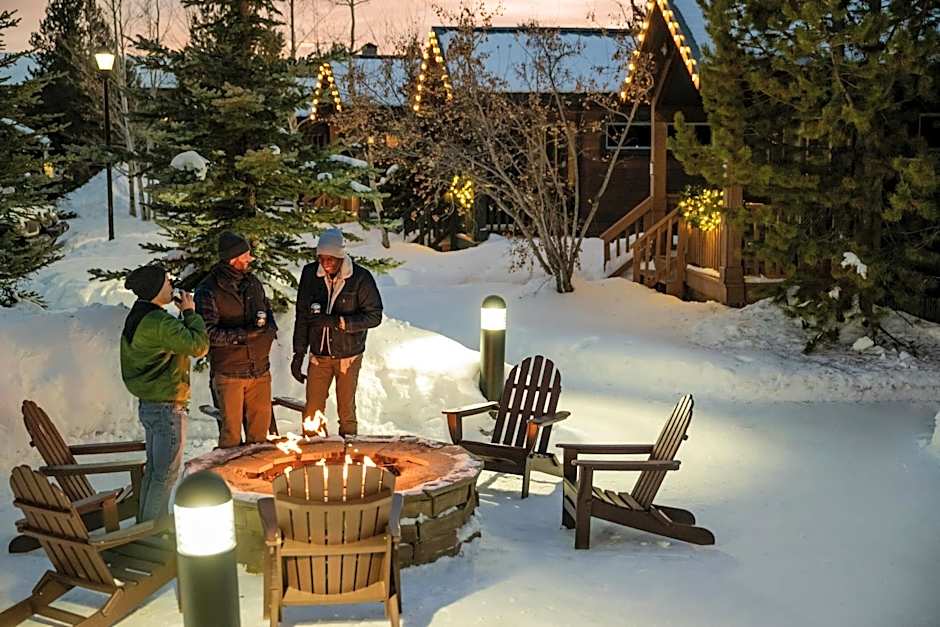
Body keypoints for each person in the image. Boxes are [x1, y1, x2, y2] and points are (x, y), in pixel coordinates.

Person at [120, 264, 209, 522]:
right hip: (166, 406)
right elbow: (198, 346)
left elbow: (172, 339)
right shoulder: (159, 322)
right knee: (166, 474)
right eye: (168, 281)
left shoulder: (141, 316)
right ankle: (153, 531)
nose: (172, 285)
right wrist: (190, 312)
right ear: (156, 288)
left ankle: (146, 524)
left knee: (155, 472)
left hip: (151, 403)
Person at [292, 228, 383, 437]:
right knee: (312, 410)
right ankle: (313, 450)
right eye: (321, 258)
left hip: (348, 356)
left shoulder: (360, 278)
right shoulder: (310, 274)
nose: (325, 263)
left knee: (346, 410)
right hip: (319, 355)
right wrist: (299, 353)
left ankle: (349, 450)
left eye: (331, 259)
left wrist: (339, 322)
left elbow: (374, 316)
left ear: (341, 256)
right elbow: (302, 316)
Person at [195, 232, 277, 448]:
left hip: (260, 371)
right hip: (229, 373)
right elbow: (208, 333)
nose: (251, 258)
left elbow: (266, 313)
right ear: (234, 258)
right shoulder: (208, 290)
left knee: (259, 439)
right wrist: (244, 335)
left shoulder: (253, 283)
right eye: (246, 255)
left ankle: (257, 471)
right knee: (230, 438)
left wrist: (268, 331)